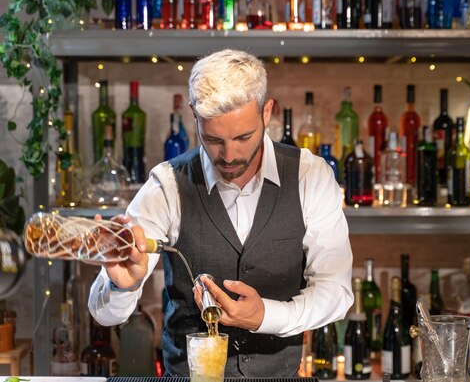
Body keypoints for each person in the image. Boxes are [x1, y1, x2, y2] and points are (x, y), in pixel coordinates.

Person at [87, 49, 353, 377]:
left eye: (244, 137)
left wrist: (265, 316)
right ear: (193, 116)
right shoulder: (167, 185)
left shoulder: (309, 176)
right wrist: (124, 287)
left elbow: (336, 292)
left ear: (266, 112)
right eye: (213, 139)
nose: (229, 155)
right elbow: (105, 314)